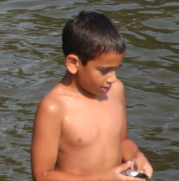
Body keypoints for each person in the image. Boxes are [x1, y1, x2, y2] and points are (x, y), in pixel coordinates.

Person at [31, 10, 153, 180]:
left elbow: (123, 141)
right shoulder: (54, 107)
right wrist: (104, 178)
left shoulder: (116, 91)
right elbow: (42, 175)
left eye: (116, 69)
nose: (113, 78)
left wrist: (136, 156)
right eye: (105, 70)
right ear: (74, 63)